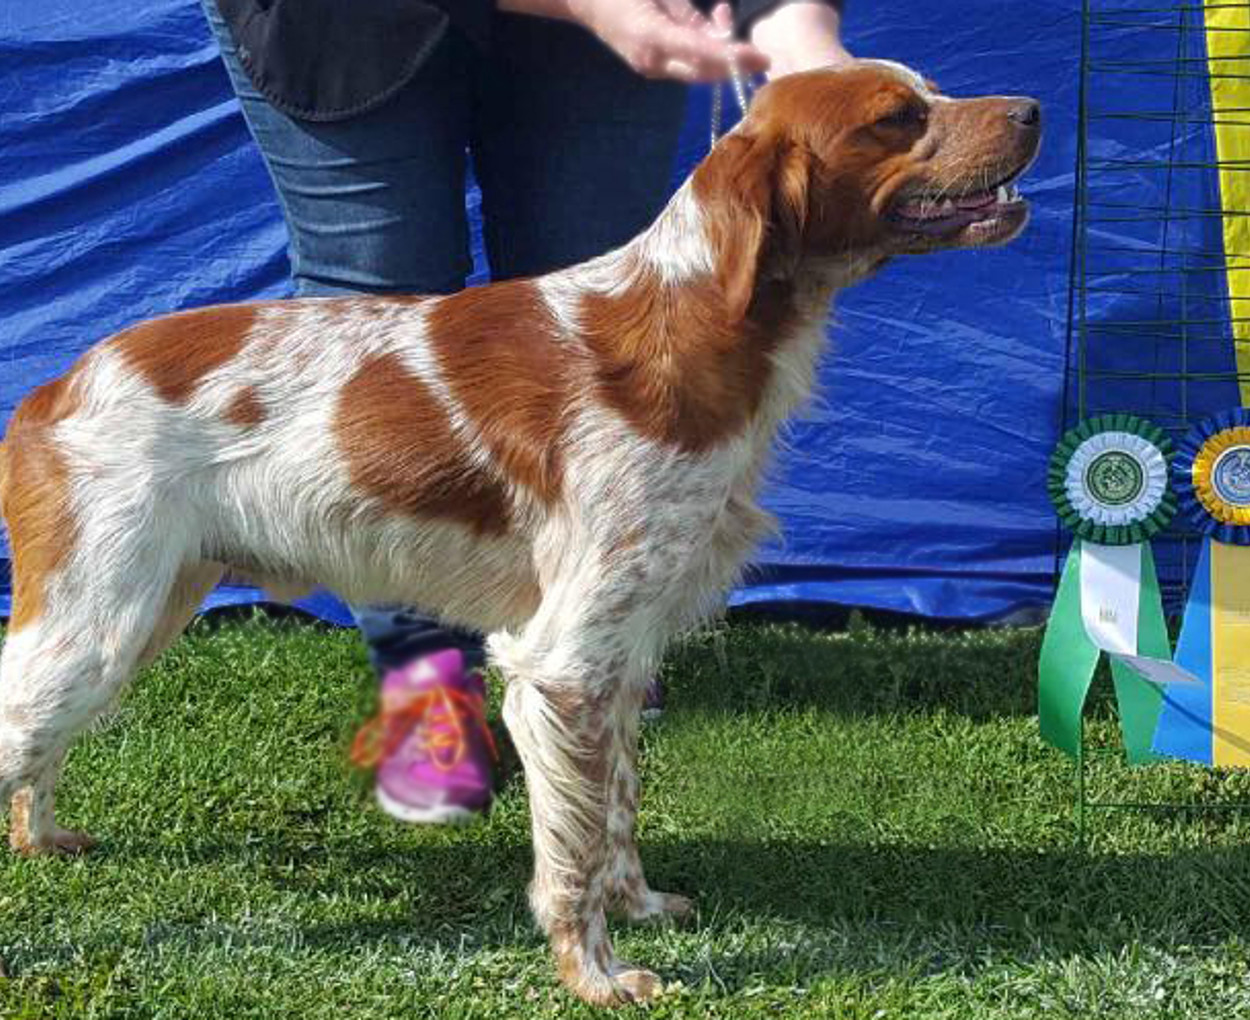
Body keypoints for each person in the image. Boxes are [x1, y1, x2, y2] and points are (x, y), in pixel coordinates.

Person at [201, 0, 851, 824]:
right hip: (343, 24)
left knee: (603, 293)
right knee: (376, 292)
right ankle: (425, 681)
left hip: (600, 31)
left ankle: (595, 632)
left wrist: (801, 38)